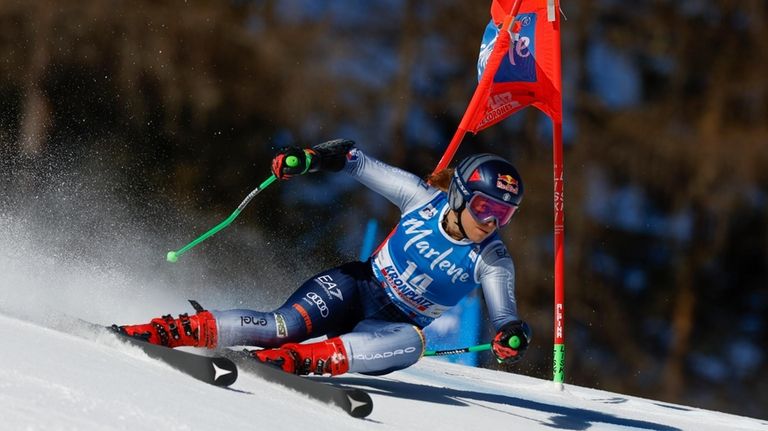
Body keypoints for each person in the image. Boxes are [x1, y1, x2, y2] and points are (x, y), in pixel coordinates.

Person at [115, 139, 531, 376]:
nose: (492, 221)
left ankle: (304, 361)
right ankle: (172, 330)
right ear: (459, 194)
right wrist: (309, 159)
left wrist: (511, 336)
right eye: (483, 207)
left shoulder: (492, 261)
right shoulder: (420, 200)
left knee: (413, 343)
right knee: (283, 325)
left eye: (504, 214)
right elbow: (354, 159)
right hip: (357, 285)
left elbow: (505, 317)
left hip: (393, 328)